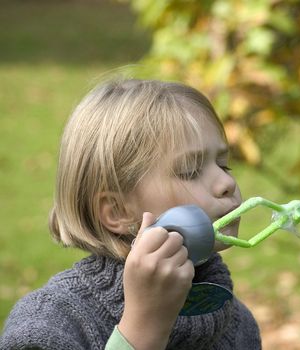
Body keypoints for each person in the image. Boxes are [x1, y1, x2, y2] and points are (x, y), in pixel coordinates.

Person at [0, 79, 261, 349]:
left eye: (223, 165)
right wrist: (144, 326)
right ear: (117, 211)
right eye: (190, 171)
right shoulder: (49, 324)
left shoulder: (237, 323)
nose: (226, 183)